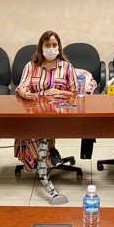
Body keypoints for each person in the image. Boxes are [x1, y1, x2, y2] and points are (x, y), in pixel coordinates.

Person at [15, 30, 78, 205]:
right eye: (47, 45)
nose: (51, 48)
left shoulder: (66, 67)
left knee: (41, 134)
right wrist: (25, 93)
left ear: (59, 47)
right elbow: (20, 87)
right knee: (32, 130)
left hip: (60, 113)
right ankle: (46, 158)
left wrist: (59, 91)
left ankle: (45, 169)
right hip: (35, 111)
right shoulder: (31, 66)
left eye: (54, 45)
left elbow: (75, 93)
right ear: (40, 48)